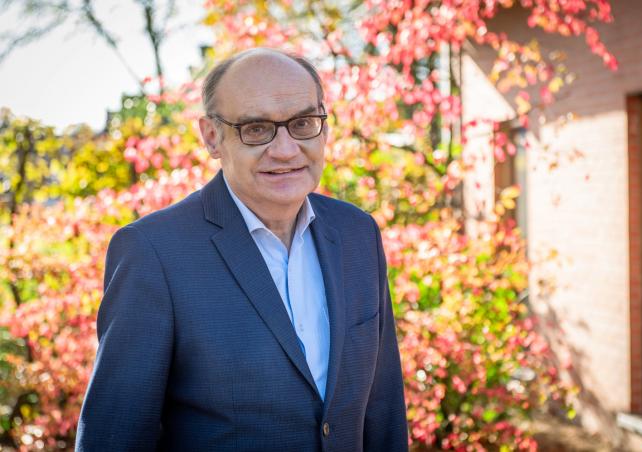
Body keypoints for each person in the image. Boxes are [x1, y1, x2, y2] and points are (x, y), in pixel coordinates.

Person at [75, 48, 408, 451]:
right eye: (256, 129)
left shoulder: (358, 233)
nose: (285, 149)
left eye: (303, 124)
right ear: (211, 137)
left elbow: (384, 412)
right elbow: (114, 436)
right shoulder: (153, 252)